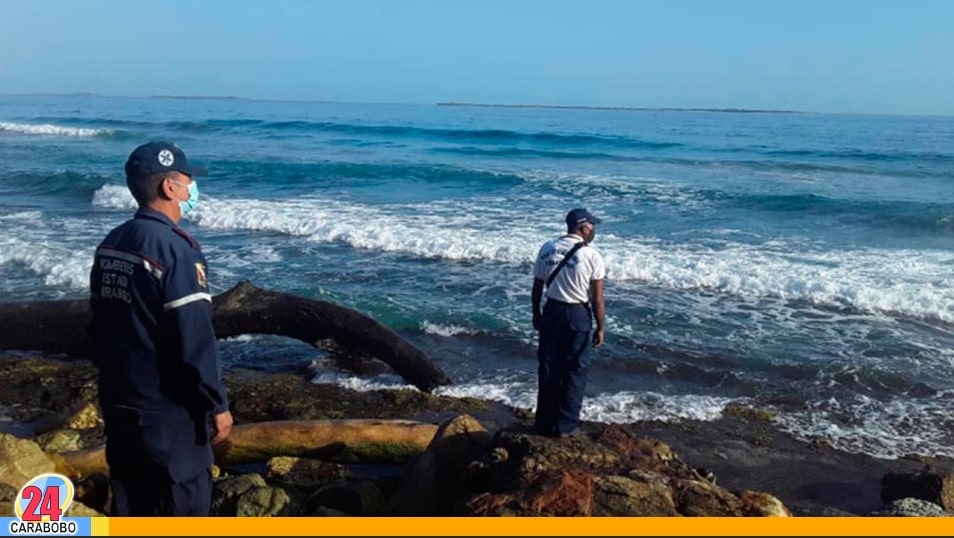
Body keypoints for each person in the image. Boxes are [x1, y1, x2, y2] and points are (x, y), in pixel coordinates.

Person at [88, 141, 232, 516]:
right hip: (168, 417)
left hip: (121, 404)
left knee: (131, 504)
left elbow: (100, 324)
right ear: (170, 188)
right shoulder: (176, 251)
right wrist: (217, 404)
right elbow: (195, 339)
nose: (191, 191)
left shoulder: (112, 243)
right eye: (187, 182)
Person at [531, 208, 606, 438]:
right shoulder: (591, 255)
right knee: (575, 370)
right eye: (591, 226)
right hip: (577, 314)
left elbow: (537, 287)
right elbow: (597, 298)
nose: (593, 230)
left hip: (552, 310)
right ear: (582, 227)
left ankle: (544, 422)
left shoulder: (548, 248)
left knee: (548, 368)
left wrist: (536, 314)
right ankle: (566, 426)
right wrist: (601, 326)